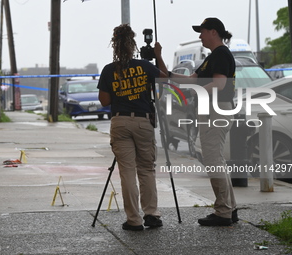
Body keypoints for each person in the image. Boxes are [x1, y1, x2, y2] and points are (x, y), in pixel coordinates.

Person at [154, 17, 238, 226]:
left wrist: (195, 93)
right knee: (216, 158)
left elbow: (219, 83)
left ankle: (223, 212)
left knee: (212, 159)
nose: (199, 36)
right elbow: (189, 79)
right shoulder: (213, 57)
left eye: (201, 31)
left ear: (213, 32)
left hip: (215, 110)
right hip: (213, 110)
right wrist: (161, 62)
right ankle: (229, 209)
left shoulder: (220, 54)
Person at [98, 24, 167, 231]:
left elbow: (104, 101)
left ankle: (134, 220)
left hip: (120, 122)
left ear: (115, 46)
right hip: (143, 120)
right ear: (133, 44)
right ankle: (151, 214)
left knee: (127, 172)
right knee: (146, 169)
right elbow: (165, 79)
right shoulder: (145, 66)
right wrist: (158, 56)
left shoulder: (109, 70)